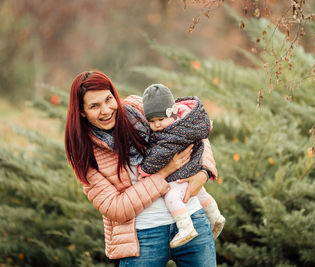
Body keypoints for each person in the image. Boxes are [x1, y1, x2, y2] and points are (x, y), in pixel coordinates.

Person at [64, 71, 218, 266]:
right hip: (143, 237)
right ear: (81, 111)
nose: (106, 110)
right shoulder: (83, 153)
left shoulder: (139, 108)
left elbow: (193, 132)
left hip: (191, 218)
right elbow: (116, 208)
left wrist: (204, 172)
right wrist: (163, 173)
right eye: (94, 106)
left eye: (108, 99)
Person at [138, 84, 225, 248]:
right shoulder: (190, 123)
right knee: (199, 192)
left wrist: (144, 169)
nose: (157, 125)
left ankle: (185, 227)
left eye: (161, 119)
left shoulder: (171, 135)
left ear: (172, 114)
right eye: (152, 121)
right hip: (195, 168)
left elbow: (159, 155)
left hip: (181, 172)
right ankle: (215, 216)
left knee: (171, 196)